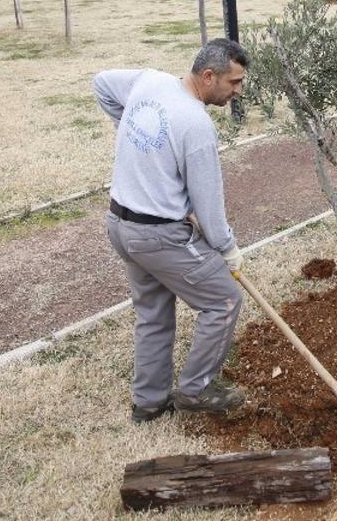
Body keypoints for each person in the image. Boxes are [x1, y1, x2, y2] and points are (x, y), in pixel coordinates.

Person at [93, 38, 249, 423]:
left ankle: (148, 403)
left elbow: (101, 83)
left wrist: (132, 130)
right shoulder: (196, 125)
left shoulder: (150, 82)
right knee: (224, 301)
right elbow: (208, 208)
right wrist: (226, 248)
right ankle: (196, 389)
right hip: (158, 236)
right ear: (208, 76)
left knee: (153, 313)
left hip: (120, 225)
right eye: (234, 83)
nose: (238, 91)